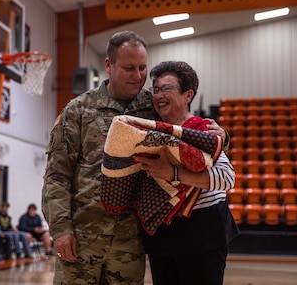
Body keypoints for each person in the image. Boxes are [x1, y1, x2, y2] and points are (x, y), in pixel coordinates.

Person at [42, 31, 228, 285]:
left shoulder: (155, 106)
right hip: (84, 235)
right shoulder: (79, 110)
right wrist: (61, 230)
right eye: (129, 68)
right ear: (109, 65)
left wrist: (222, 135)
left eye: (142, 68)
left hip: (131, 240)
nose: (138, 75)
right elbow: (57, 175)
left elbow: (188, 129)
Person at [132, 61, 239, 285]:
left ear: (188, 95)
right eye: (156, 89)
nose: (159, 95)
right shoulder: (150, 131)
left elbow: (227, 179)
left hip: (203, 232)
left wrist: (174, 173)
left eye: (166, 88)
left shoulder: (204, 129)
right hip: (162, 234)